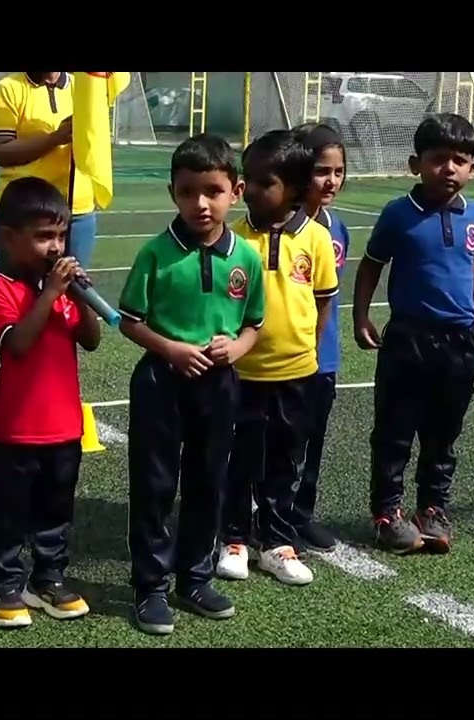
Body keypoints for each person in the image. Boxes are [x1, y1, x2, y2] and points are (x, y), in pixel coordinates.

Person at [116, 134, 265, 636]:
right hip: (162, 381)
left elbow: (254, 324)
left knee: (208, 481)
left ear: (235, 191)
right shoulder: (156, 254)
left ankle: (195, 578)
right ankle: (151, 586)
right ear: (172, 193)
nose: (200, 203)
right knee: (155, 485)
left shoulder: (245, 257)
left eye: (212, 191)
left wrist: (238, 349)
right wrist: (172, 350)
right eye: (187, 192)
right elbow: (129, 321)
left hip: (219, 384)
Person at [352, 113, 474, 555]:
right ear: (416, 164)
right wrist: (360, 316)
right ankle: (386, 514)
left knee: (443, 433)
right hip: (408, 340)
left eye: (460, 160)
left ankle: (432, 508)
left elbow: (470, 262)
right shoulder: (399, 214)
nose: (449, 169)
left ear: (472, 168)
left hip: (459, 343)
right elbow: (372, 263)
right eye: (438, 159)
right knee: (395, 432)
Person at [0, 176, 101, 628]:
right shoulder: (2, 286)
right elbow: (16, 347)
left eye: (60, 235)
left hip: (64, 427)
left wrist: (79, 297)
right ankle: (3, 584)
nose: (55, 246)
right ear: (10, 238)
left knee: (56, 512)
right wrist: (50, 294)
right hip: (15, 430)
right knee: (8, 514)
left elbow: (89, 340)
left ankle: (47, 578)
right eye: (43, 236)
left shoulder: (63, 289)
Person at [217, 130, 338, 587]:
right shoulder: (233, 238)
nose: (247, 189)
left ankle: (277, 542)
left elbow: (322, 302)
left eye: (262, 181)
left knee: (285, 462)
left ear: (292, 188)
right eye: (245, 179)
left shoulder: (318, 239)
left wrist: (305, 349)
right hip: (242, 372)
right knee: (239, 458)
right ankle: (233, 538)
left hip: (295, 375)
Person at [293, 123, 351, 554]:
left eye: (338, 171)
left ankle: (301, 515)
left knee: (312, 440)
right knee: (268, 443)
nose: (330, 180)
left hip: (322, 357)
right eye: (320, 171)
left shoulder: (337, 228)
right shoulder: (279, 226)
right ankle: (251, 518)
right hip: (276, 358)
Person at [0, 72, 98, 269]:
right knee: (21, 293)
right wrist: (55, 138)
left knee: (72, 292)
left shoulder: (83, 88)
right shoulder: (10, 87)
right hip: (24, 212)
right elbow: (0, 151)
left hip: (78, 212)